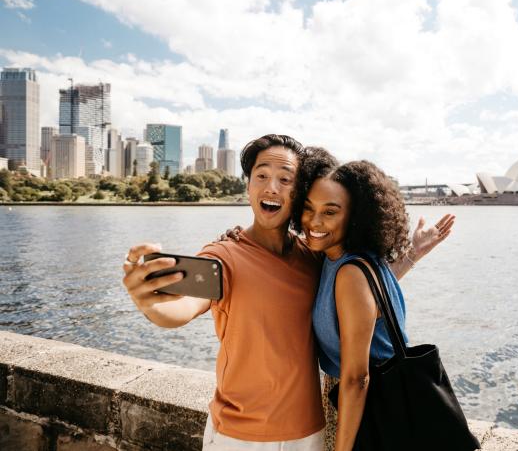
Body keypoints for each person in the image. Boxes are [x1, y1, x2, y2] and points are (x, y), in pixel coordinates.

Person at [121, 135, 452, 450]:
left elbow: (359, 299)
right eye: (261, 175)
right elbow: (181, 308)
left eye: (285, 179)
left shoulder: (313, 257)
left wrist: (410, 256)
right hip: (240, 436)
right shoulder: (225, 256)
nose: (271, 187)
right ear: (248, 186)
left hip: (310, 433)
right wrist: (146, 299)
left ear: (299, 191)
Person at [290, 152, 454, 451]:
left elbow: (357, 379)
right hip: (374, 399)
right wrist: (413, 254)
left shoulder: (349, 272)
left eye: (330, 212)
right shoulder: (350, 259)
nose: (314, 221)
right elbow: (371, 303)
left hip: (365, 406)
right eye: (307, 208)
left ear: (354, 217)